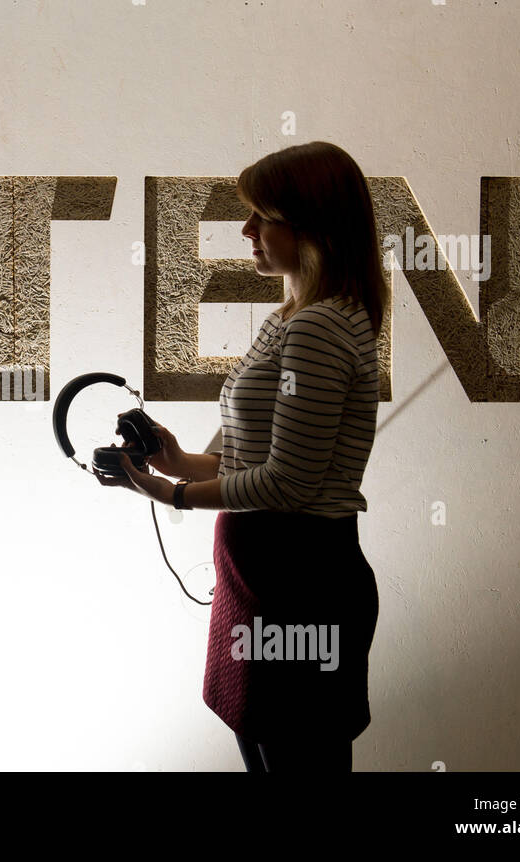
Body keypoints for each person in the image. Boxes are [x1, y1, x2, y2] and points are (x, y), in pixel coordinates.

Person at [97, 141, 387, 772]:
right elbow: (246, 463)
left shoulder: (319, 327)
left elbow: (285, 484)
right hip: (263, 582)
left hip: (298, 584)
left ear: (312, 227)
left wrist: (164, 492)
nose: (246, 229)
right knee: (266, 752)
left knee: (297, 758)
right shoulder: (294, 318)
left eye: (263, 216)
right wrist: (172, 459)